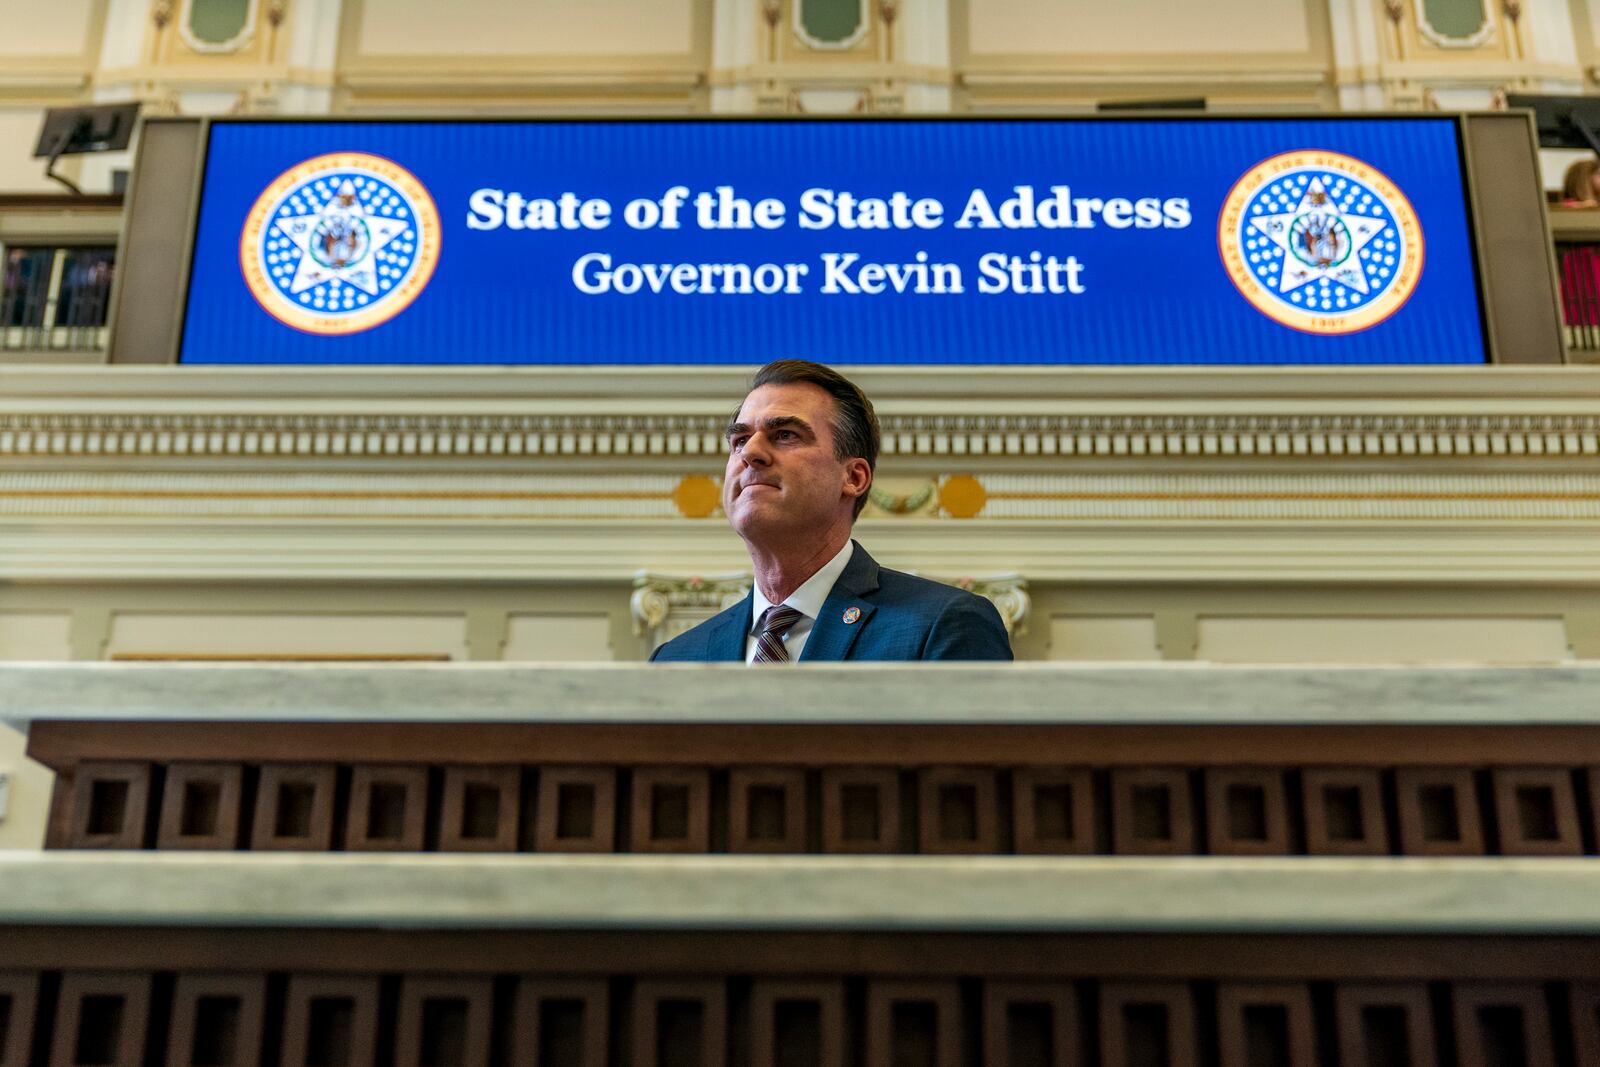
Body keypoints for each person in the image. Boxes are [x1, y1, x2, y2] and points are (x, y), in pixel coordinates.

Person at [650, 360, 1013, 662]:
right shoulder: (675, 659)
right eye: (740, 440)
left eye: (786, 434)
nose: (750, 453)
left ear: (853, 477)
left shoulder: (942, 624)